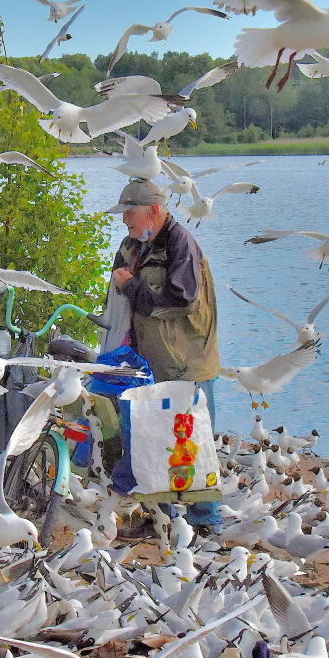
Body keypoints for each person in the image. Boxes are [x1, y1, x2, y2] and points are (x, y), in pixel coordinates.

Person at [105, 178, 223, 534]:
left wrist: (132, 287)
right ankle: (160, 519)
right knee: (152, 441)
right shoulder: (131, 246)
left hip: (187, 362)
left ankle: (206, 524)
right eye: (123, 213)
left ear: (154, 211)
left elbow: (179, 300)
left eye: (131, 212)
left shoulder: (180, 243)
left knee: (194, 443)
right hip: (148, 363)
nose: (125, 219)